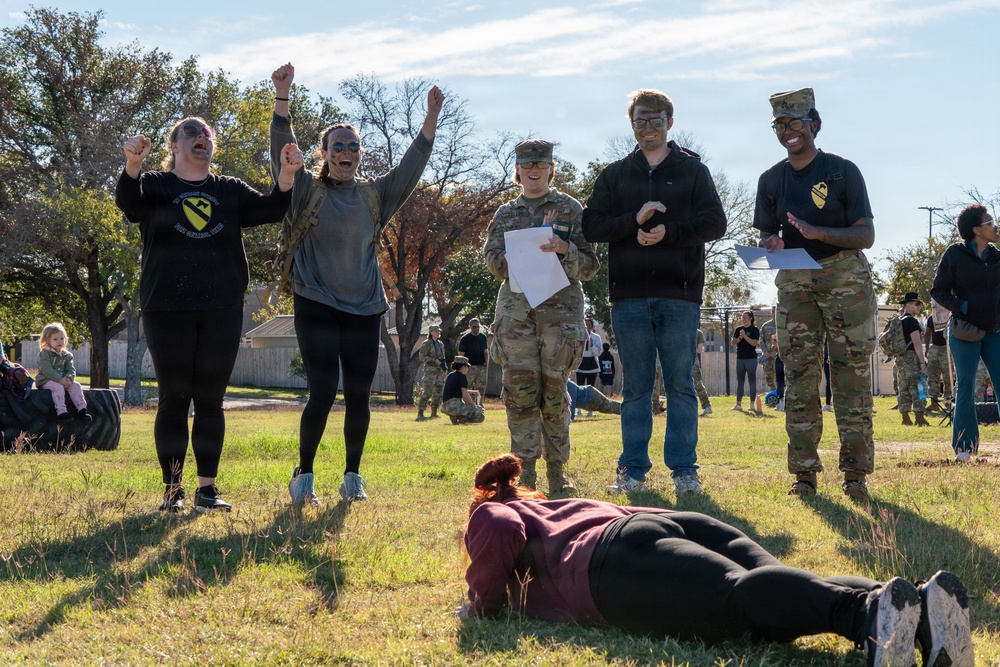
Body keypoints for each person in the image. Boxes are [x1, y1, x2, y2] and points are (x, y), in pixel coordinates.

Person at [460, 454, 974, 667]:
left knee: (735, 601)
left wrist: (481, 605)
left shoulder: (491, 512)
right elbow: (636, 516)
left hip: (613, 563)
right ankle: (918, 611)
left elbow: (500, 533)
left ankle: (865, 616)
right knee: (778, 592)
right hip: (671, 525)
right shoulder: (554, 504)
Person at [270, 63, 443, 505]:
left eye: (352, 146)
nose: (345, 152)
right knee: (323, 390)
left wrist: (430, 119)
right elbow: (281, 150)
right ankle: (304, 476)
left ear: (360, 154)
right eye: (337, 146)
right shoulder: (305, 189)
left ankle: (352, 477)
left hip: (366, 308)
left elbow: (411, 166)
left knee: (360, 395)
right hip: (316, 302)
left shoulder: (375, 194)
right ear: (325, 153)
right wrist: (282, 96)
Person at [117, 116, 301, 513]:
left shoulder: (229, 189)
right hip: (167, 308)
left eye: (207, 133)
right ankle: (172, 492)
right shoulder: (156, 185)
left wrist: (287, 175)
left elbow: (271, 209)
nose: (201, 136)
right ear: (174, 146)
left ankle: (207, 491)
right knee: (174, 399)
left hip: (222, 308)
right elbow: (130, 205)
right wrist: (132, 165)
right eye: (191, 132)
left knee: (210, 400)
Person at [582, 89, 727, 496]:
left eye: (655, 120)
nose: (648, 128)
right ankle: (631, 471)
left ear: (670, 122)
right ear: (631, 124)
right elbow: (591, 226)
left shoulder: (693, 171)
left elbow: (716, 224)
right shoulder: (614, 174)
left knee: (680, 383)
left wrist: (671, 232)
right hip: (628, 296)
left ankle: (684, 471)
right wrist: (633, 220)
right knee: (636, 388)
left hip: (679, 295)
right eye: (640, 121)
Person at [754, 87, 878, 501]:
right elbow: (768, 234)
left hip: (845, 278)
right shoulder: (770, 180)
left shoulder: (843, 172)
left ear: (814, 124)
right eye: (780, 124)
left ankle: (855, 475)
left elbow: (866, 235)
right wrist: (772, 242)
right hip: (795, 280)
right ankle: (804, 475)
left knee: (850, 376)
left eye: (795, 122)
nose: (788, 131)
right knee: (800, 379)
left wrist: (819, 233)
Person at [485, 138, 599, 496]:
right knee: (520, 396)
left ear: (551, 169)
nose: (533, 170)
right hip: (517, 317)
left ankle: (557, 475)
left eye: (540, 164)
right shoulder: (505, 214)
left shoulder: (570, 209)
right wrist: (517, 255)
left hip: (559, 317)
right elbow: (492, 261)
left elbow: (591, 265)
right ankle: (525, 477)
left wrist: (564, 248)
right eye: (527, 164)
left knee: (554, 395)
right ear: (517, 170)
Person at [931, 204, 1000, 462]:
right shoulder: (954, 255)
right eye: (990, 222)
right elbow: (938, 291)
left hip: (996, 332)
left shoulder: (997, 257)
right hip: (965, 332)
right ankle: (965, 448)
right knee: (966, 386)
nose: (995, 226)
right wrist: (963, 307)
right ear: (976, 230)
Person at [34, 323, 91, 423]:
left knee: (76, 386)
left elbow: (71, 369)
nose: (59, 341)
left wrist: (69, 378)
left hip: (63, 380)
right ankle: (61, 412)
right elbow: (46, 369)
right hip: (46, 380)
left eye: (62, 338)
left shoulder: (67, 355)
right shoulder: (44, 354)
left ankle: (82, 409)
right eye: (55, 339)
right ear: (47, 340)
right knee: (58, 387)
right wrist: (59, 379)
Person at [896, 292, 930, 427]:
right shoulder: (911, 321)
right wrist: (922, 361)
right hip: (911, 357)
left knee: (903, 387)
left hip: (900, 358)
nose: (919, 307)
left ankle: (905, 418)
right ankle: (919, 418)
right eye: (917, 304)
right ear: (908, 304)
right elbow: (916, 342)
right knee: (917, 386)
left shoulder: (899, 320)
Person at [924, 299, 952, 413]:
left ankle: (948, 403)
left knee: (948, 378)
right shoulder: (932, 318)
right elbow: (927, 333)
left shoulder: (950, 316)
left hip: (947, 349)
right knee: (932, 377)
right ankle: (933, 403)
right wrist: (927, 348)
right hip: (935, 348)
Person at [731, 310, 761, 414]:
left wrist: (745, 336)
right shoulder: (738, 329)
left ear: (751, 318)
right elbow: (733, 341)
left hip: (751, 359)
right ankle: (738, 404)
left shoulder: (755, 329)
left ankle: (752, 404)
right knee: (740, 381)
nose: (744, 319)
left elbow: (754, 343)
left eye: (746, 317)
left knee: (752, 381)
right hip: (740, 358)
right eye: (742, 317)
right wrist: (740, 337)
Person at [441, 356, 485, 425]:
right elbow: (465, 395)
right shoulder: (462, 377)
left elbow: (454, 390)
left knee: (465, 408)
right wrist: (474, 406)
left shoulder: (450, 375)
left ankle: (455, 416)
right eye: (467, 366)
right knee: (481, 416)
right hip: (455, 405)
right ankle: (463, 419)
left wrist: (471, 392)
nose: (468, 368)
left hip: (445, 406)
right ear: (463, 366)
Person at [416, 325, 447, 421]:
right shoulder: (426, 343)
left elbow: (443, 358)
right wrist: (434, 360)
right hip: (430, 372)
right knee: (427, 392)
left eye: (439, 331)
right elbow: (422, 357)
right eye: (436, 331)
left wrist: (445, 370)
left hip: (439, 372)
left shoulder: (440, 344)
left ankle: (434, 413)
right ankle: (420, 412)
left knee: (438, 392)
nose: (438, 333)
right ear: (431, 332)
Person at [575, 318, 602, 416]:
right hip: (580, 364)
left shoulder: (596, 337)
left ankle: (590, 411)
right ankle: (578, 411)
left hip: (592, 364)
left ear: (592, 326)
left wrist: (592, 345)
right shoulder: (578, 336)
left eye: (589, 325)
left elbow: (598, 352)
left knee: (591, 389)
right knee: (579, 387)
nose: (587, 326)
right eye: (585, 324)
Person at [458, 318, 489, 398]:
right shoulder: (465, 339)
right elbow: (461, 354)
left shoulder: (483, 337)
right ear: (470, 327)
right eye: (474, 327)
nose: (476, 329)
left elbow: (485, 352)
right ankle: (468, 404)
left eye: (478, 327)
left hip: (481, 367)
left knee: (481, 388)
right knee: (467, 387)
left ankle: (479, 404)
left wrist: (487, 364)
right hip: (469, 367)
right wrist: (461, 368)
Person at [693, 328, 712, 416]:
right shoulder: (680, 330)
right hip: (679, 360)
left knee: (697, 383)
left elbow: (699, 350)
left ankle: (707, 406)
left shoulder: (698, 333)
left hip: (693, 360)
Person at [759, 306, 778, 394]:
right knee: (769, 376)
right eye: (773, 312)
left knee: (779, 375)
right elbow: (761, 339)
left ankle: (781, 394)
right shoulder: (765, 326)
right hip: (767, 356)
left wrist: (776, 351)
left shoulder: (782, 326)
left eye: (776, 311)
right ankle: (773, 393)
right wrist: (765, 351)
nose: (774, 313)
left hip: (778, 356)